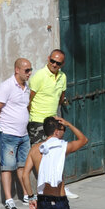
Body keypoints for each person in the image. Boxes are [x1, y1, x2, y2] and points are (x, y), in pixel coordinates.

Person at [28, 48, 77, 199]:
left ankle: (61, 187)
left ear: (62, 64)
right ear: (48, 59)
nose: (54, 65)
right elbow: (29, 99)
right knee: (41, 156)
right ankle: (41, 191)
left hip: (53, 121)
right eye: (52, 61)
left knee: (57, 155)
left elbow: (61, 97)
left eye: (58, 63)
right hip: (37, 121)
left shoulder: (62, 77)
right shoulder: (39, 76)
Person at [0, 58, 32, 209]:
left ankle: (27, 195)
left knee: (23, 165)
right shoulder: (6, 87)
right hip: (8, 134)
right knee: (7, 167)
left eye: (30, 70)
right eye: (26, 70)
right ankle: (8, 200)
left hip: (23, 134)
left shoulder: (26, 87)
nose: (29, 73)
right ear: (17, 70)